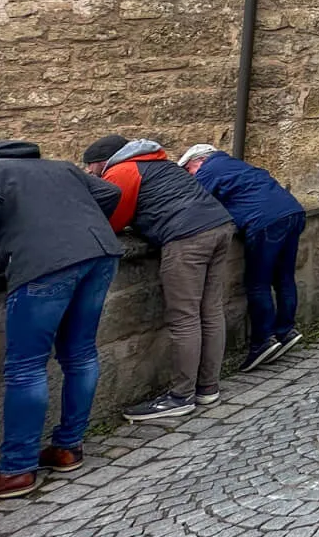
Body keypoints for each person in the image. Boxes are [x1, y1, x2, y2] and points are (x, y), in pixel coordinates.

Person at [0, 133, 124, 503]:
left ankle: (16, 468)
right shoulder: (59, 167)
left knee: (25, 367)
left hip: (45, 263)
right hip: (99, 253)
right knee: (80, 354)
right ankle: (68, 447)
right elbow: (109, 193)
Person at [82, 134, 235, 422]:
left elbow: (114, 219)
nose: (91, 174)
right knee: (211, 311)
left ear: (102, 163)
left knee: (184, 316)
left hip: (187, 236)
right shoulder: (159, 163)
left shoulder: (122, 171)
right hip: (219, 225)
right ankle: (208, 387)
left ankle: (181, 395)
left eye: (91, 168)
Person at [178, 145, 305, 373]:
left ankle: (263, 340)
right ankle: (286, 330)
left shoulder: (208, 170)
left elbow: (194, 204)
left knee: (258, 283)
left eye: (188, 169)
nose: (190, 175)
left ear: (200, 160)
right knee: (284, 277)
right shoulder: (233, 164)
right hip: (292, 212)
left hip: (264, 221)